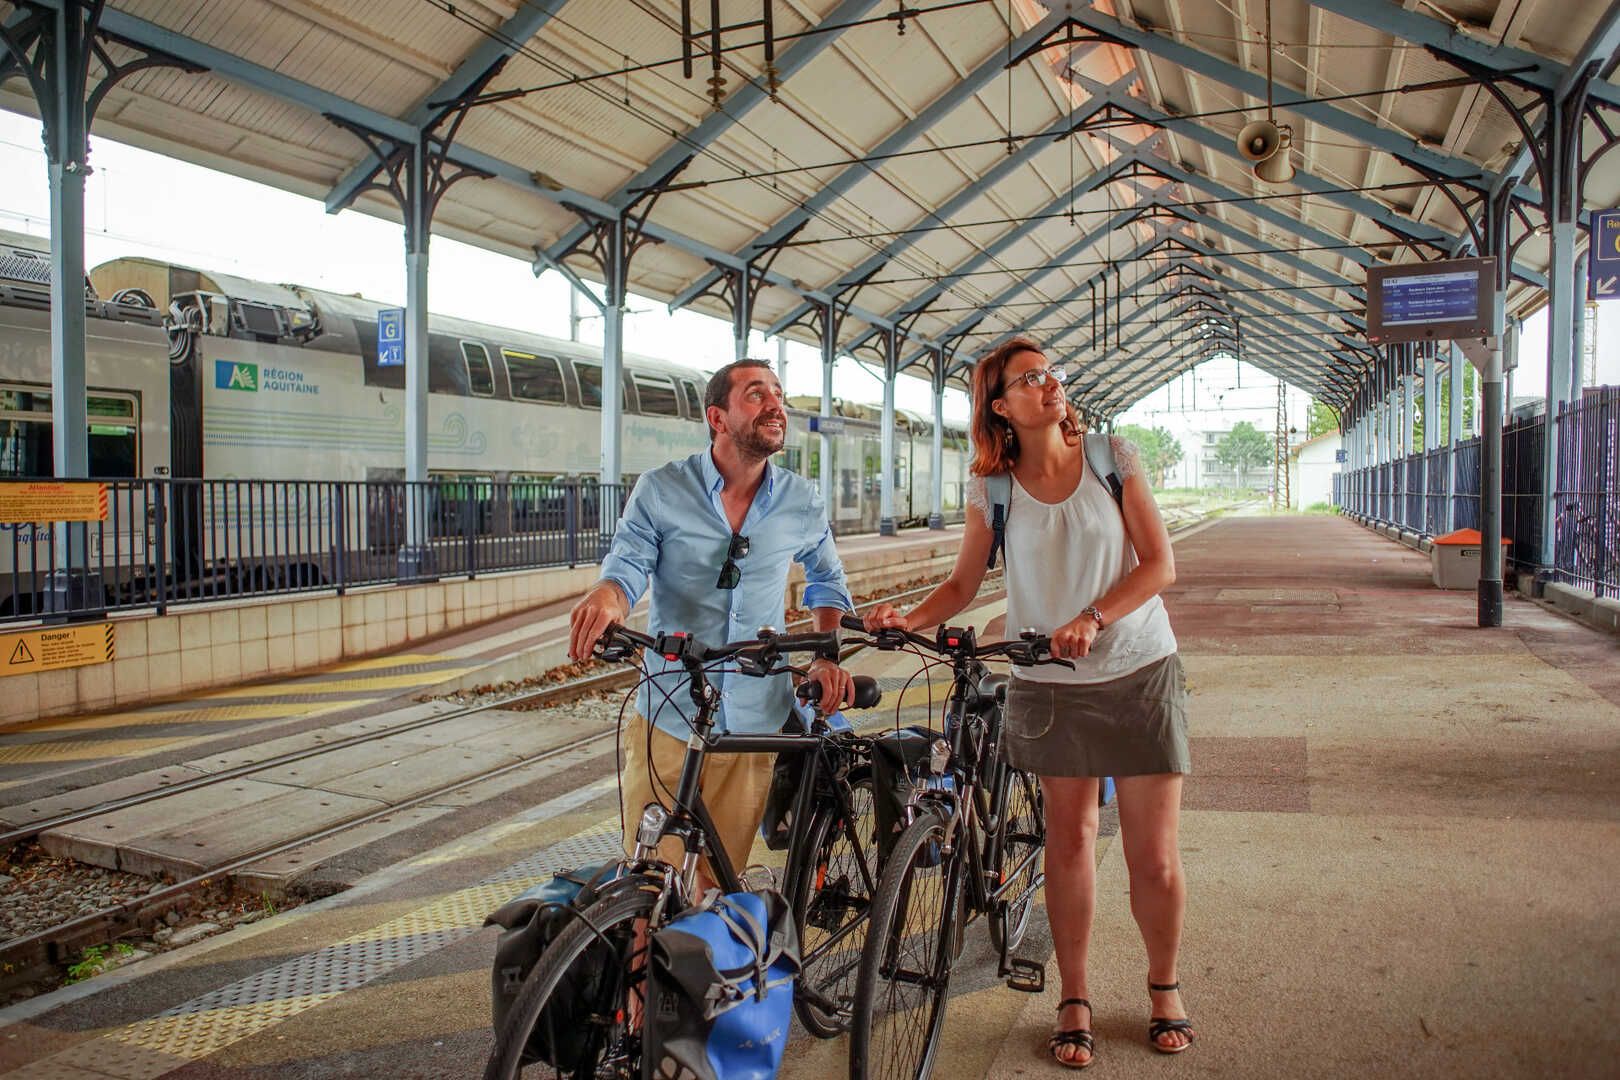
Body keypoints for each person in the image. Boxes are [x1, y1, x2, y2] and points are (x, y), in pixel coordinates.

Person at [862, 337, 1194, 1068]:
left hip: (1138, 671)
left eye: (1053, 374)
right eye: (1031, 379)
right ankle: (1073, 996)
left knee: (1153, 858)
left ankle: (1163, 985)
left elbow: (1160, 564)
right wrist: (907, 620)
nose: (1051, 385)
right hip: (1047, 685)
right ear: (1001, 406)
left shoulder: (1113, 458)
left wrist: (1093, 618)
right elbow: (961, 586)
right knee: (1067, 843)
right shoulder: (995, 491)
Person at [568, 357, 857, 890]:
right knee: (648, 878)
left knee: (716, 881)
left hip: (754, 720)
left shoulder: (801, 499)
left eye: (777, 393)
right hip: (671, 712)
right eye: (755, 394)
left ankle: (705, 971)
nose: (775, 404)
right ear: (717, 418)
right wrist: (608, 597)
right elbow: (628, 561)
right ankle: (639, 975)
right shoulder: (661, 489)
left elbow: (827, 581)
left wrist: (825, 655)